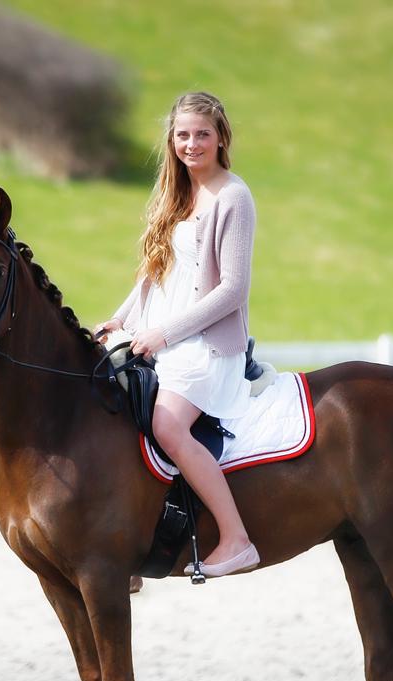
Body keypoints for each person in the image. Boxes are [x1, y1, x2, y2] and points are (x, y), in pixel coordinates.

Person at [96, 91, 258, 578]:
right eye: (183, 135)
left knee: (167, 425)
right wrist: (121, 320)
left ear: (221, 137)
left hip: (205, 348)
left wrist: (163, 334)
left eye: (202, 134)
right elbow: (155, 273)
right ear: (172, 140)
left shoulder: (233, 197)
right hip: (158, 335)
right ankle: (128, 543)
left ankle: (236, 538)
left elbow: (232, 290)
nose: (192, 144)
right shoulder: (174, 192)